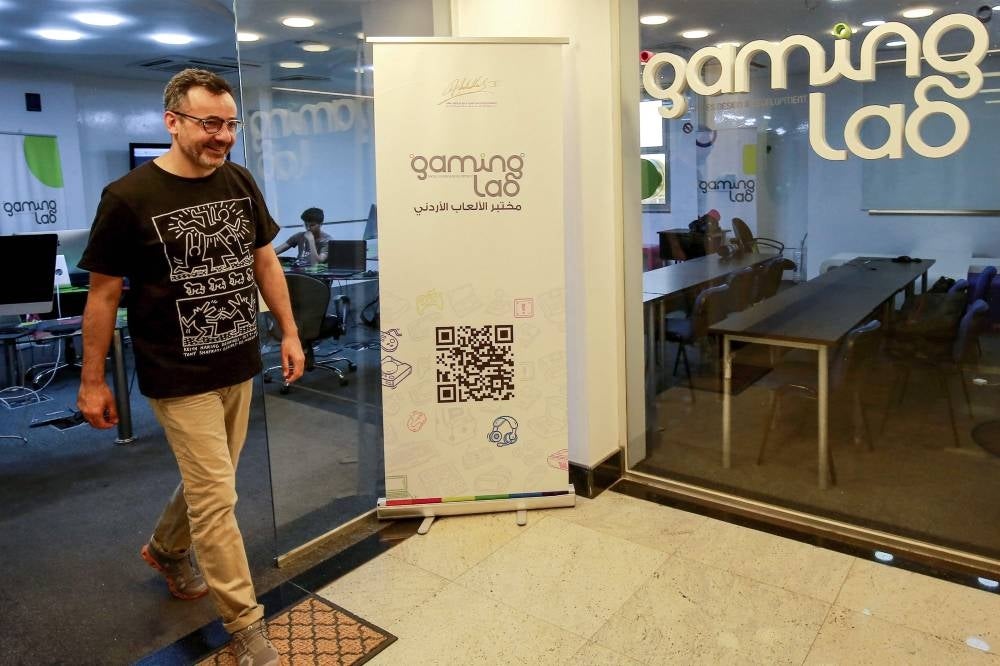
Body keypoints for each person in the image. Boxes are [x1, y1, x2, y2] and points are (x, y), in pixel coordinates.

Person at [76, 69, 304, 666]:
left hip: (237, 361)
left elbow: (264, 262)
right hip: (175, 374)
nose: (222, 136)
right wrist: (93, 380)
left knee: (214, 485)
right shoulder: (128, 198)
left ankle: (166, 550)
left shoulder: (238, 179)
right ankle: (246, 625)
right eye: (209, 123)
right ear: (172, 121)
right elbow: (102, 295)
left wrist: (289, 330)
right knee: (218, 499)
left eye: (229, 124)